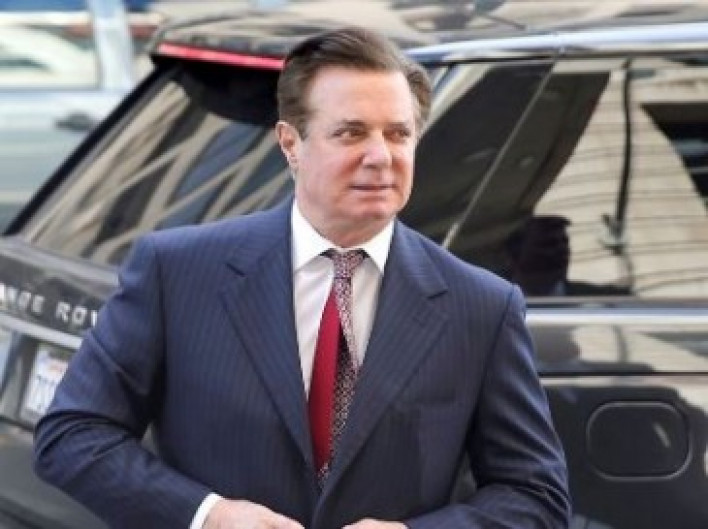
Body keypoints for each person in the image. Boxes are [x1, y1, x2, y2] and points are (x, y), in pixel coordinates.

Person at [33, 26, 571, 529]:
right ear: (291, 144)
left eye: (398, 134)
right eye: (351, 133)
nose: (380, 157)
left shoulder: (481, 305)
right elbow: (73, 434)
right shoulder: (177, 271)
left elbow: (535, 495)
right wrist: (209, 515)